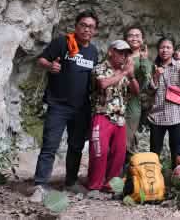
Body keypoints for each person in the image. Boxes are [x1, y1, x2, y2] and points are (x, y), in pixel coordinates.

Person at [31, 11, 100, 201]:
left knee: (76, 146)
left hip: (81, 108)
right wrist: (50, 66)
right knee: (50, 146)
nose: (87, 29)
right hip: (59, 105)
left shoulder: (93, 51)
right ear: (76, 26)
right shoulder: (63, 43)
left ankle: (70, 181)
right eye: (83, 25)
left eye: (91, 27)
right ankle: (40, 184)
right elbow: (41, 59)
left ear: (95, 31)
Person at [86, 40, 140, 191]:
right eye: (120, 52)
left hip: (120, 117)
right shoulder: (100, 67)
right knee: (99, 151)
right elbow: (103, 84)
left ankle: (111, 186)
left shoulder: (125, 71)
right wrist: (123, 72)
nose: (124, 56)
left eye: (126, 53)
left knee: (119, 154)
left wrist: (132, 75)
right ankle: (94, 186)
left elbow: (136, 92)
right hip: (102, 114)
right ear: (111, 51)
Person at [148, 37, 180, 164]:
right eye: (162, 47)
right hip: (157, 114)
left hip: (177, 114)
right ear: (158, 50)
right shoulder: (153, 67)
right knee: (154, 151)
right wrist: (156, 76)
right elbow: (149, 91)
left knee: (177, 152)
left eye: (168, 47)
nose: (165, 50)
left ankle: (176, 180)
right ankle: (153, 179)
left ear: (173, 50)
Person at [123, 27, 153, 158]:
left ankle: (126, 173)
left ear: (143, 40)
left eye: (137, 35)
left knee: (127, 139)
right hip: (115, 102)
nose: (134, 38)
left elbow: (147, 83)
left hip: (133, 102)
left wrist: (144, 60)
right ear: (125, 39)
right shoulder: (120, 55)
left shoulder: (144, 59)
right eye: (130, 35)